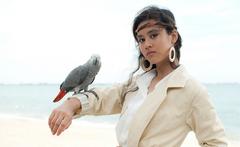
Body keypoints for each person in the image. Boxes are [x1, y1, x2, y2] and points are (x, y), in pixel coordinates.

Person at [48, 6, 228, 147]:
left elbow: (216, 143)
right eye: (141, 39)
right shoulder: (138, 82)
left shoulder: (192, 90)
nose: (147, 44)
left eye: (153, 35)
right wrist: (71, 104)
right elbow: (104, 97)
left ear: (173, 36)